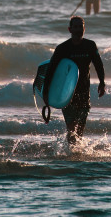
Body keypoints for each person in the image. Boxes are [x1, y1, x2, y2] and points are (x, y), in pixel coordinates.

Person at [42, 16, 106, 145]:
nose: (78, 29)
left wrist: (102, 82)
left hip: (84, 93)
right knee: (71, 129)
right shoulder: (62, 48)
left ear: (84, 28)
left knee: (80, 131)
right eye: (75, 27)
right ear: (70, 29)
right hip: (67, 94)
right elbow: (51, 70)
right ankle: (71, 153)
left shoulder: (90, 45)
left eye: (80, 26)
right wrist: (46, 92)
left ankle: (75, 156)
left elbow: (98, 64)